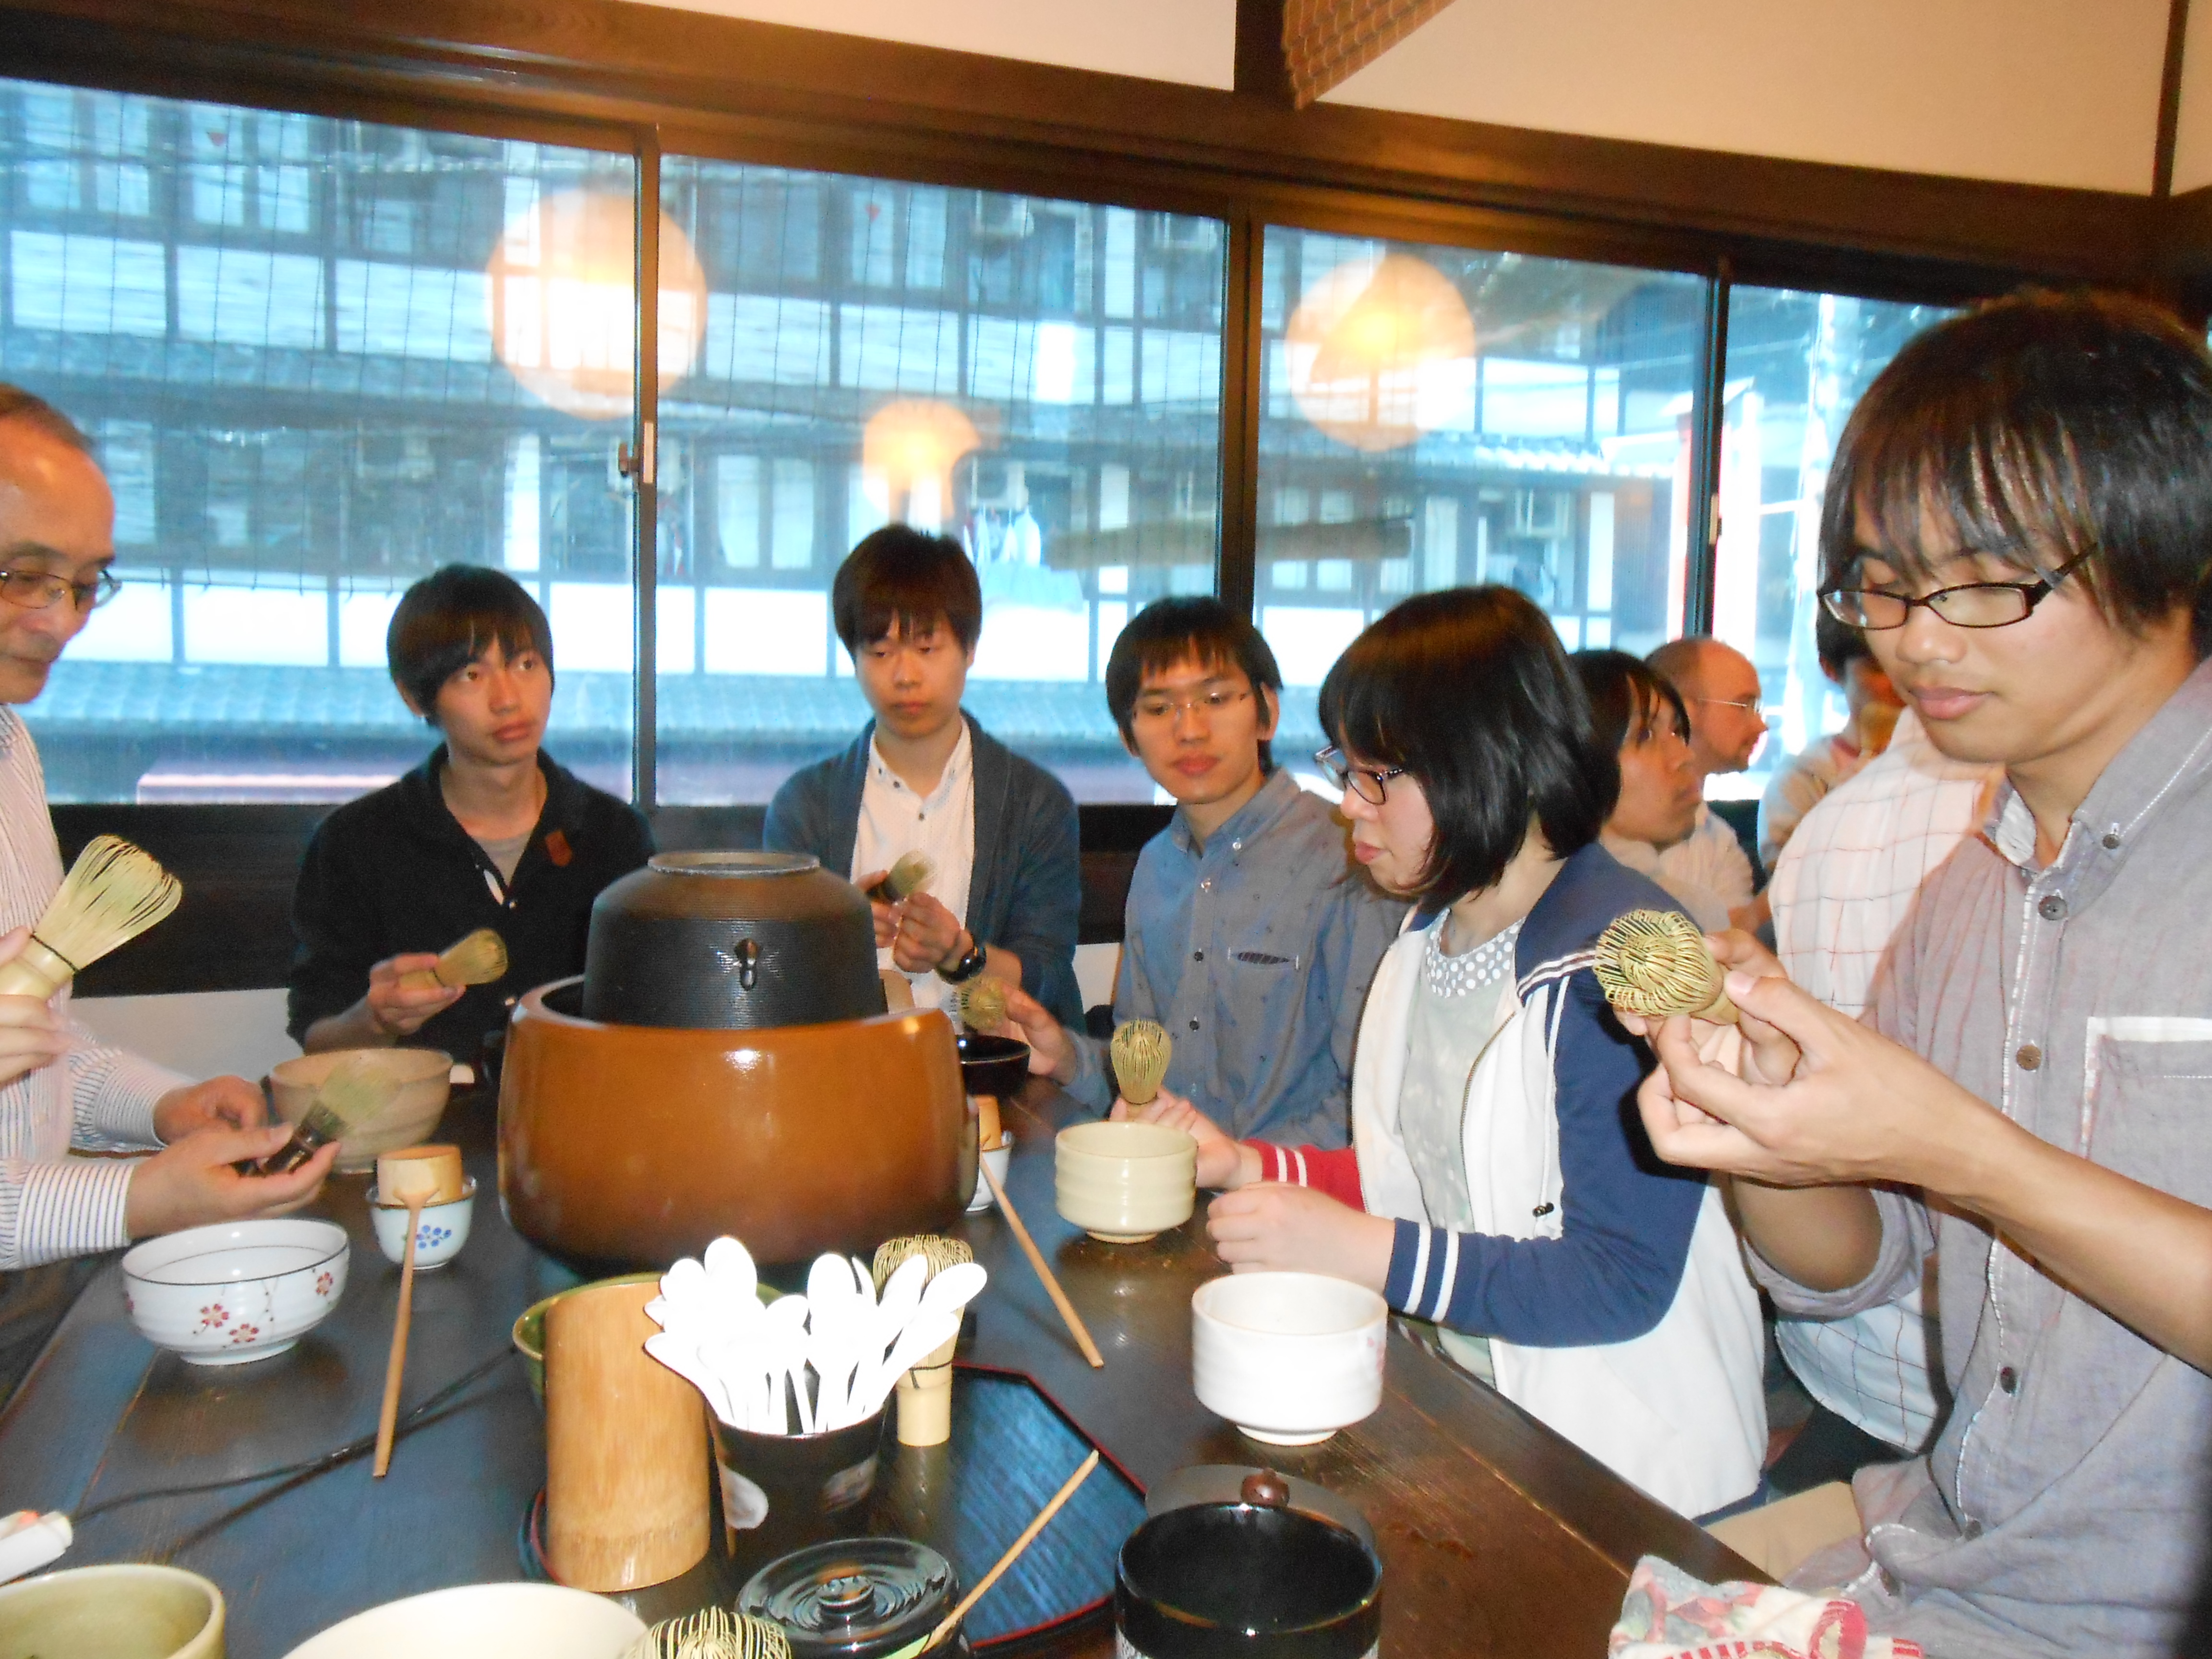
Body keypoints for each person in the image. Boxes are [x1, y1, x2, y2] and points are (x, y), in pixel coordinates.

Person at [1631, 291, 2212, 1656]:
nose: (1917, 639)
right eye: (1885, 582)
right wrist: (1761, 1129)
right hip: (1936, 1562)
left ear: (2171, 542)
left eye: (1988, 577)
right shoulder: (1965, 890)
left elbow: (1953, 1170)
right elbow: (1861, 1259)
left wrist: (1964, 1151)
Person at [1126, 587, 1764, 1520]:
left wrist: (1365, 1252)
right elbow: (1420, 1181)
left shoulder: (1618, 957)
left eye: (1375, 777)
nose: (1349, 807)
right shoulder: (1429, 939)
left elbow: (1619, 1279)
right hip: (1489, 1434)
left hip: (1633, 1479)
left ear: (1482, 761)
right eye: (1346, 771)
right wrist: (1248, 1164)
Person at [0, 385, 335, 1309]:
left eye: (85, 583)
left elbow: (35, 1053)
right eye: (23, 574)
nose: (61, 620)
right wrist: (144, 1197)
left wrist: (161, 1108)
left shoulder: (12, 748)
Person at [999, 598, 1404, 1145]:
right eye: (1159, 708)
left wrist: (1236, 1164)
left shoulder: (1349, 859)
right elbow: (1142, 1083)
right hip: (1170, 1179)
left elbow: (1371, 1099)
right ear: (1128, 737)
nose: (1189, 730)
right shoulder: (1155, 866)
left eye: (1214, 699)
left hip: (1291, 1191)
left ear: (1267, 712)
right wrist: (1068, 1058)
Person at [1758, 706, 1999, 1493]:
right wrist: (1763, 1108)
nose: (1926, 648)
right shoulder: (1965, 869)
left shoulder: (1838, 825)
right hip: (1912, 1394)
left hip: (1870, 1377)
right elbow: (1873, 1233)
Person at [288, 565, 653, 1067]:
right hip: (425, 1112)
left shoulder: (614, 836)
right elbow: (318, 1039)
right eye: (472, 676)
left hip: (577, 1102)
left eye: (525, 665)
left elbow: (653, 1012)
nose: (507, 700)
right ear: (415, 697)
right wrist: (376, 1019)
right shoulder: (356, 843)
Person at [765, 526, 1081, 1025]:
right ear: (854, 657)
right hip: (846, 1060)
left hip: (986, 1063)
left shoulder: (1035, 803)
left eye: (927, 648)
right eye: (881, 652)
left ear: (970, 648)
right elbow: (770, 971)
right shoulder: (805, 806)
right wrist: (835, 933)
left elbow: (1048, 974)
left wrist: (960, 953)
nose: (905, 676)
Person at [1573, 649, 1728, 932]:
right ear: (1577, 761)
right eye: (1644, 735)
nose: (1685, 756)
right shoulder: (1676, 915)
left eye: (1677, 731)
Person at [1756, 611, 1906, 868]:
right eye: (1879, 667)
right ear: (1830, 669)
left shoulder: (1954, 759)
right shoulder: (1802, 778)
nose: (1899, 681)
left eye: (1908, 664)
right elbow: (1788, 878)